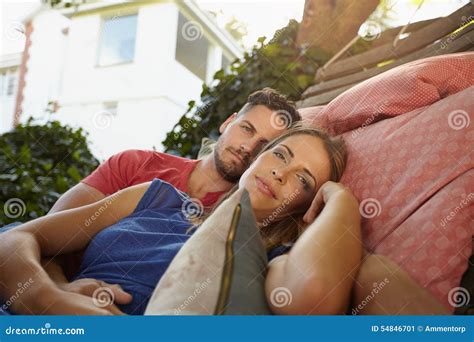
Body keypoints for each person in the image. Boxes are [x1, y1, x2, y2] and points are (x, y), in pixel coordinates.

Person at [0, 126, 361, 315]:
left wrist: (340, 200)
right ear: (256, 159)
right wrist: (49, 296)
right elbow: (18, 237)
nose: (282, 173)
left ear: (305, 207)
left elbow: (313, 297)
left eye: (304, 180)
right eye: (280, 154)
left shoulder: (272, 262)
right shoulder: (155, 196)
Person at [41, 87, 302, 282]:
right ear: (227, 123)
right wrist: (59, 293)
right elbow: (46, 237)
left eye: (263, 146)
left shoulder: (239, 222)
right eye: (246, 128)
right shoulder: (135, 164)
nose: (247, 147)